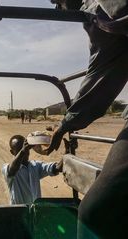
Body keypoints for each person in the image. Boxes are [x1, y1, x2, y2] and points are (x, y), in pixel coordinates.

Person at [48, 1, 128, 238]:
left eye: (58, 1)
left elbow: (100, 76)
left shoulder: (98, 8)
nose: (58, 9)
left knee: (97, 212)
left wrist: (64, 125)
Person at [1, 135, 63, 205]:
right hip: (18, 212)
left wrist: (67, 153)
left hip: (36, 212)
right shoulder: (6, 168)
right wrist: (23, 151)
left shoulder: (35, 166)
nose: (26, 151)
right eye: (19, 149)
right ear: (12, 152)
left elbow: (56, 168)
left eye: (27, 148)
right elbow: (12, 170)